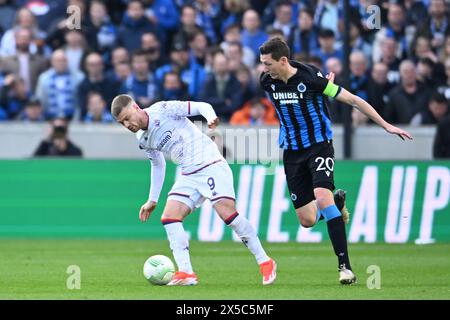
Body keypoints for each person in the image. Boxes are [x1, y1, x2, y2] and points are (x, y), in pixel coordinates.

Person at [259, 37, 412, 284]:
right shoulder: (267, 81)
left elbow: (352, 99)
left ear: (283, 60)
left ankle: (345, 267)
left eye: (267, 63)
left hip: (319, 146)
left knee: (322, 195)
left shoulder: (311, 79)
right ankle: (337, 204)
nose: (264, 69)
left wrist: (385, 125)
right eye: (262, 64)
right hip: (292, 152)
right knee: (307, 220)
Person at [110, 94, 276, 286]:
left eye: (127, 118)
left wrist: (210, 117)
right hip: (188, 174)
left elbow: (200, 105)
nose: (127, 125)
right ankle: (186, 273)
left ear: (136, 107)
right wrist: (152, 200)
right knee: (169, 218)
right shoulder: (143, 139)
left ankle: (265, 261)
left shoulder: (163, 109)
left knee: (227, 214)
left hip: (210, 163)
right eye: (122, 123)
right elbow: (157, 165)